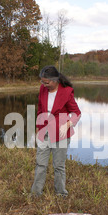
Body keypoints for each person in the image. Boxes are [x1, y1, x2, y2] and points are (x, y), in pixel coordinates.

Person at [31, 66, 81, 197]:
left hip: (61, 134)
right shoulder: (43, 89)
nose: (44, 84)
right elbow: (41, 109)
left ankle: (61, 194)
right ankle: (36, 193)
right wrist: (38, 127)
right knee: (40, 163)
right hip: (44, 131)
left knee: (59, 166)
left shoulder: (67, 91)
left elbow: (77, 113)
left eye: (46, 82)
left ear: (55, 80)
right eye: (42, 82)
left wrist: (69, 124)